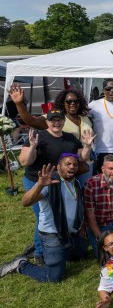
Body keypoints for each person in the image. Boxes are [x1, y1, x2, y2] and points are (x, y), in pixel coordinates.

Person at [18, 109, 93, 265]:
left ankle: (59, 246)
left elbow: (82, 158)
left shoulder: (70, 139)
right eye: (53, 120)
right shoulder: (39, 136)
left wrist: (87, 146)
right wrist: (32, 146)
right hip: (37, 181)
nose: (56, 123)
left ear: (64, 122)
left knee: (58, 214)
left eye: (59, 120)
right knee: (43, 216)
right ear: (47, 122)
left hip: (59, 181)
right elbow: (24, 162)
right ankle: (39, 252)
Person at [0, 155, 86, 282]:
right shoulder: (50, 183)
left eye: (75, 164)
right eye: (67, 164)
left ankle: (47, 251)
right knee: (53, 277)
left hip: (72, 233)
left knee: (81, 257)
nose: (72, 167)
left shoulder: (76, 183)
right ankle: (21, 264)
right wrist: (39, 185)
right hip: (53, 235)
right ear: (58, 167)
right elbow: (25, 202)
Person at [9, 85, 94, 184]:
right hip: (65, 166)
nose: (73, 104)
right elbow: (31, 121)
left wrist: (88, 146)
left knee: (79, 194)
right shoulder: (56, 116)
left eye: (76, 101)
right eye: (68, 101)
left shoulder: (85, 118)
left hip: (84, 163)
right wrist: (19, 104)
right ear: (63, 103)